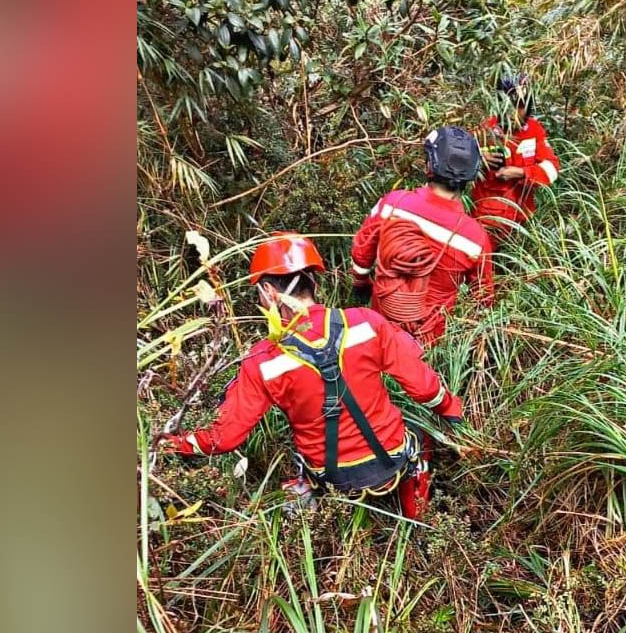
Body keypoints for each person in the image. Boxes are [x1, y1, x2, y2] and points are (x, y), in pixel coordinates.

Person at [156, 233, 464, 519]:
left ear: (267, 291)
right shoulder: (366, 323)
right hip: (391, 460)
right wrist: (451, 409)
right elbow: (424, 387)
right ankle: (417, 521)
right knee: (418, 441)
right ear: (313, 283)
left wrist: (170, 444)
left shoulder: (262, 360)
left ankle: (310, 517)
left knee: (296, 458)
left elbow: (223, 439)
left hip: (330, 476)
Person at [350, 126, 495, 347]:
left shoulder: (393, 204)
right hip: (430, 340)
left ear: (429, 165)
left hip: (380, 325)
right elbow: (483, 298)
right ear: (472, 174)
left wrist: (360, 284)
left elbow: (361, 255)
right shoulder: (476, 238)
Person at [471, 74, 561, 239]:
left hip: (522, 218)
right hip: (487, 219)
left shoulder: (535, 131)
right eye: (509, 105)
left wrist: (520, 173)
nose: (513, 112)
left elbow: (552, 169)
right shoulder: (485, 130)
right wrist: (478, 158)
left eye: (520, 105)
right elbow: (453, 167)